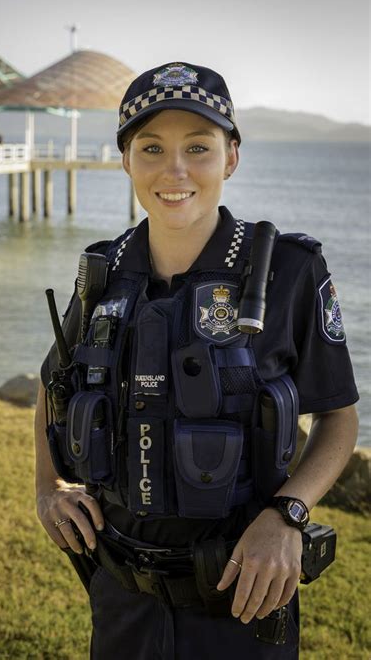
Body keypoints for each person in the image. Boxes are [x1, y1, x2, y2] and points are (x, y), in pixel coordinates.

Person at [34, 62, 359, 659]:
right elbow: (53, 378)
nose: (175, 169)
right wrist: (48, 485)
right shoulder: (103, 273)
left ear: (231, 157)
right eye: (151, 147)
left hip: (245, 595)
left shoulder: (288, 272)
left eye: (199, 147)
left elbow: (338, 416)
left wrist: (288, 514)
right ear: (126, 159)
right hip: (120, 597)